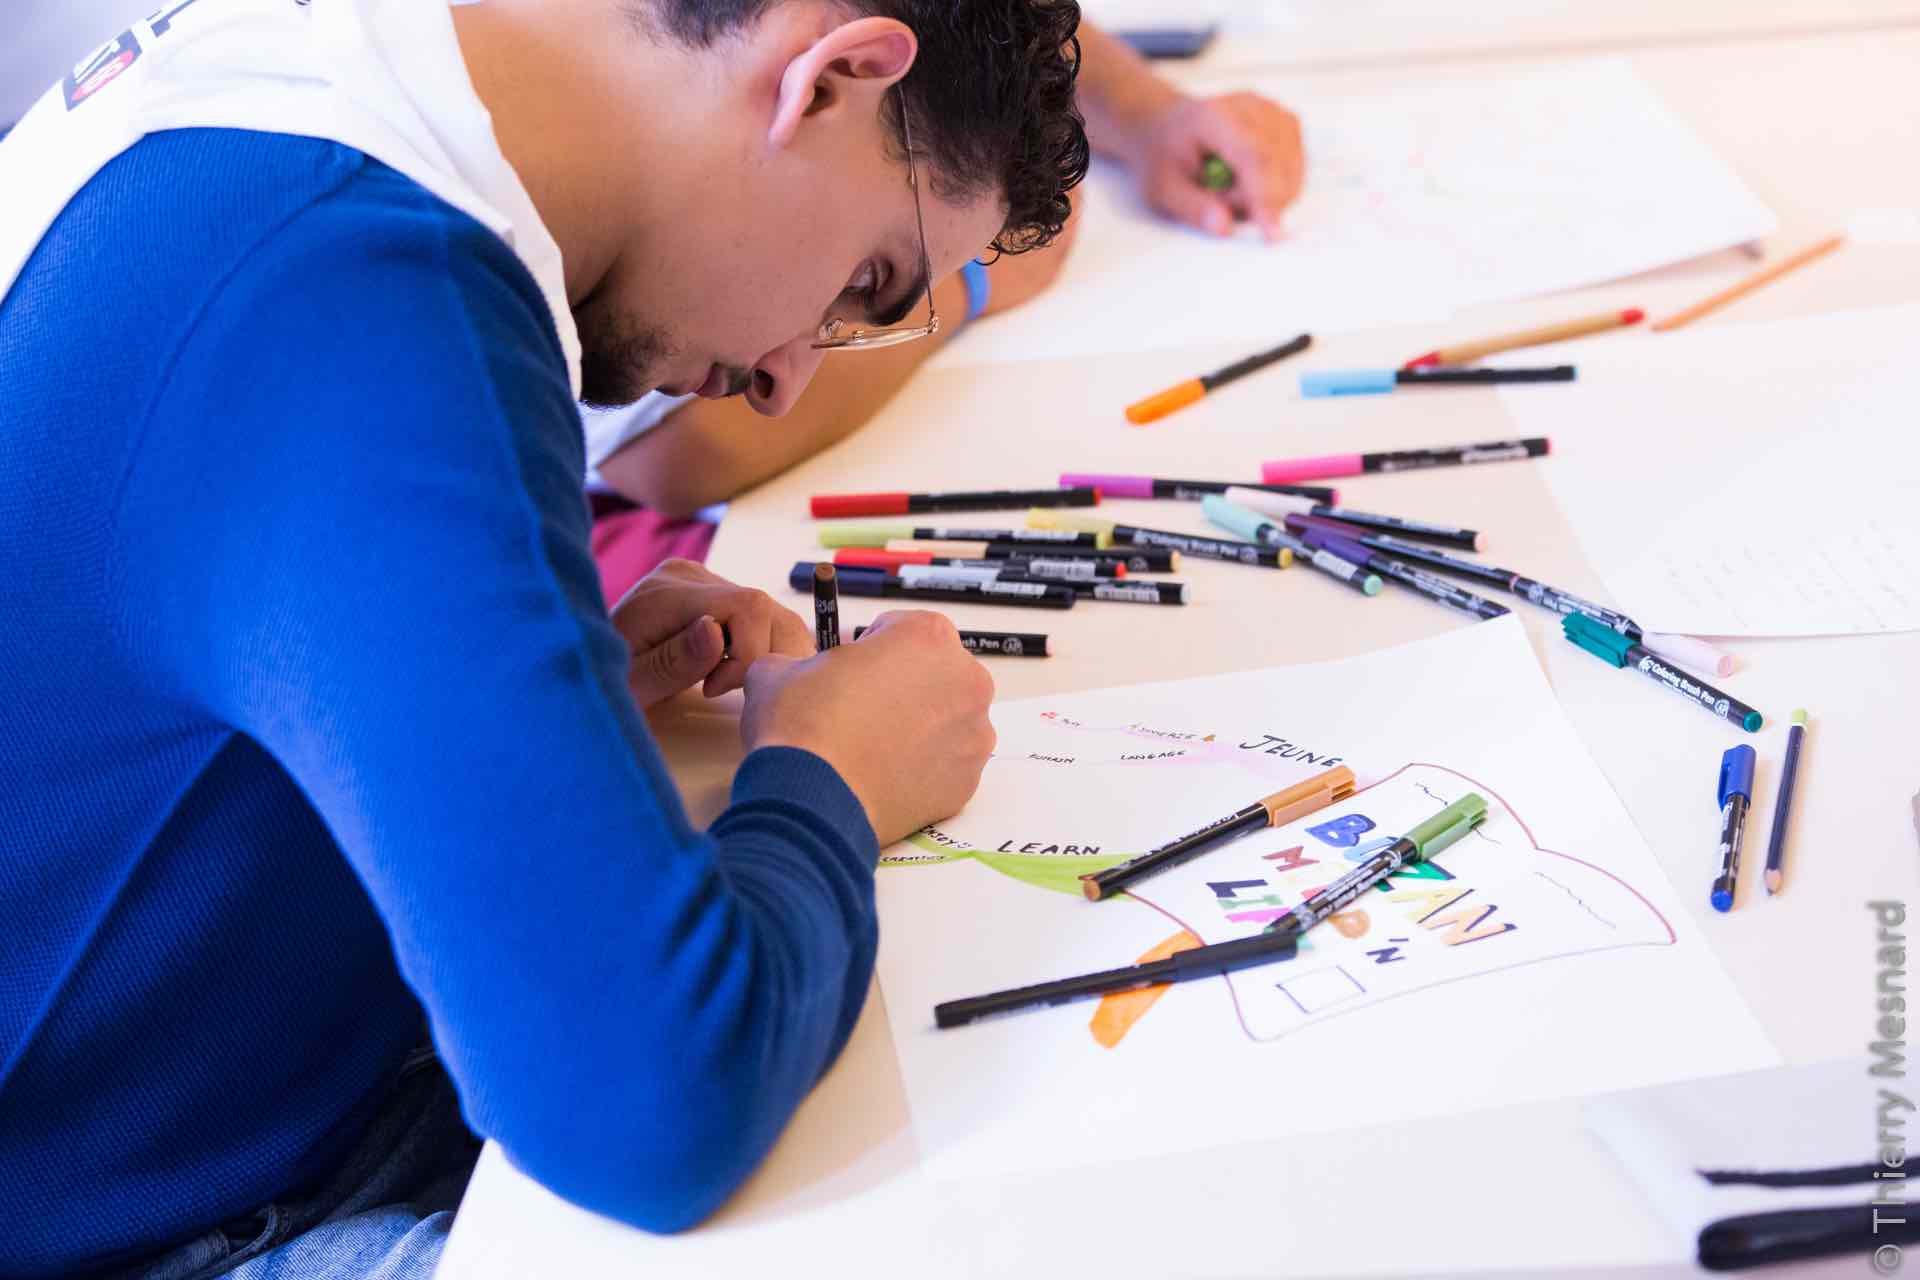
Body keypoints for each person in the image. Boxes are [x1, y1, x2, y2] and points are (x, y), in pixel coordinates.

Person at [0, 0, 1087, 1276]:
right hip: (155, 1218)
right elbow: (648, 1105)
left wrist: (532, 687)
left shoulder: (310, 83)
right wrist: (833, 776)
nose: (791, 376)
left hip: (224, 1066)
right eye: (869, 282)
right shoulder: (365, 287)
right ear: (833, 77)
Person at [586, 24, 1305, 600]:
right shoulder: (584, 227)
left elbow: (994, 28)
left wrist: (1147, 114)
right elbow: (675, 454)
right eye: (873, 276)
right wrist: (964, 283)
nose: (784, 382)